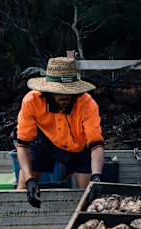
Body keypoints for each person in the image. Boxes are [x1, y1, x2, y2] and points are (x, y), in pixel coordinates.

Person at [13, 56, 105, 208]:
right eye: (59, 92)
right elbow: (22, 144)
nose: (65, 96)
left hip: (78, 149)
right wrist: (30, 180)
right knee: (23, 187)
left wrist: (97, 176)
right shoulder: (31, 101)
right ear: (48, 91)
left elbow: (96, 145)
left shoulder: (87, 103)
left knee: (90, 195)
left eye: (68, 92)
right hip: (44, 144)